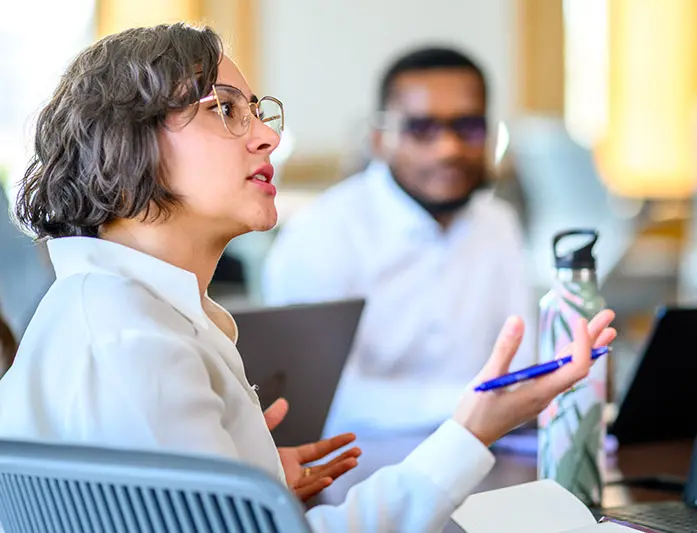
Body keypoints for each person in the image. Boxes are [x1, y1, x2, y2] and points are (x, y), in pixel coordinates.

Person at [0, 24, 616, 532]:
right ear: (126, 141)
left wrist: (259, 487)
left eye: (259, 112)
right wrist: (471, 431)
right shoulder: (137, 344)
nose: (268, 135)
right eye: (225, 109)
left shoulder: (115, 312)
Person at [263, 47, 537, 436]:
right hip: (356, 466)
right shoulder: (321, 232)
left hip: (492, 452)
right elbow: (327, 396)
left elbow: (523, 361)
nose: (449, 149)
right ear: (379, 140)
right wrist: (482, 400)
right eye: (421, 129)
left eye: (468, 127)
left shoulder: (499, 224)